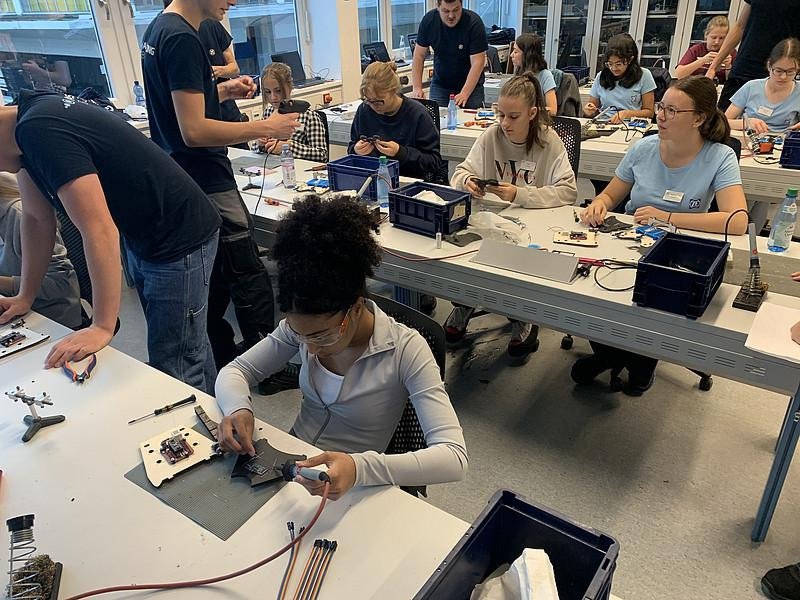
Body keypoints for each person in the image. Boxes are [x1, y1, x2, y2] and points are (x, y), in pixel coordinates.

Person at [215, 195, 468, 501]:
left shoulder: (405, 349)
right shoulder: (303, 328)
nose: (309, 347)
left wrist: (359, 467)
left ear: (357, 307)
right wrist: (238, 408)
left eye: (321, 335)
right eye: (300, 333)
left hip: (352, 484)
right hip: (294, 461)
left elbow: (454, 457)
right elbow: (237, 370)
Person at [0, 90, 221, 392]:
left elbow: (99, 229)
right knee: (186, 342)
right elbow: (37, 218)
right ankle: (216, 420)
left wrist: (102, 326)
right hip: (147, 230)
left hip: (177, 235)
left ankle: (197, 434)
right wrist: (26, 295)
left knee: (175, 362)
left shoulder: (38, 129)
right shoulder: (24, 135)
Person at [142, 0, 300, 370]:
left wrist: (224, 92)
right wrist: (267, 127)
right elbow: (193, 131)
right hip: (206, 176)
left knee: (213, 279)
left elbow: (182, 108)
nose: (233, 1)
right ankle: (267, 367)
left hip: (184, 174)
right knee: (246, 272)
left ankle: (227, 357)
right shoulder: (182, 38)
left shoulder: (159, 29)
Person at [577, 76, 748, 395]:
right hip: (629, 238)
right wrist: (598, 204)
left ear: (698, 118)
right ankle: (614, 353)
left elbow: (736, 220)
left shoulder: (718, 156)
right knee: (593, 289)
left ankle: (638, 357)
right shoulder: (643, 147)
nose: (661, 115)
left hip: (679, 249)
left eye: (672, 110)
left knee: (656, 299)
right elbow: (611, 196)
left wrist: (667, 216)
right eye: (661, 107)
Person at [446, 74, 577, 362]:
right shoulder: (491, 136)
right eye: (500, 114)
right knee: (463, 253)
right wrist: (466, 179)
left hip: (534, 223)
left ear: (532, 114)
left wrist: (519, 193)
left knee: (521, 263)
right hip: (492, 220)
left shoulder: (548, 141)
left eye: (513, 116)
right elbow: (459, 172)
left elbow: (568, 192)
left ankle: (523, 315)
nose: (504, 123)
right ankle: (465, 302)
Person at [0, 172, 82, 329]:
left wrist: (4, 283)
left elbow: (61, 285)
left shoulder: (19, 215)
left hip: (52, 322)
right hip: (14, 315)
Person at [349, 61, 443, 181]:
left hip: (407, 182)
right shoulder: (364, 110)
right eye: (368, 100)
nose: (373, 106)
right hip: (370, 180)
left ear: (394, 91)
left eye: (379, 101)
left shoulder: (417, 114)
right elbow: (352, 146)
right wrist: (355, 150)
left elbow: (433, 162)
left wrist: (401, 153)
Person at [705, 0, 800, 110]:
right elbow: (740, 26)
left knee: (768, 124)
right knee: (722, 118)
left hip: (779, 71)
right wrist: (714, 66)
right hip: (744, 68)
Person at [411, 0, 488, 109]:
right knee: (437, 122)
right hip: (440, 85)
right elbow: (419, 55)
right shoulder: (429, 21)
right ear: (438, 7)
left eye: (456, 10)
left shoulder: (473, 23)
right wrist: (417, 87)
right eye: (446, 11)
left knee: (470, 122)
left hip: (471, 87)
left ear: (461, 6)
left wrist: (464, 93)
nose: (451, 16)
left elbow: (478, 62)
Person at [724, 38, 800, 135]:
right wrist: (747, 123)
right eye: (778, 71)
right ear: (769, 66)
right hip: (749, 142)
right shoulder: (751, 87)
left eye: (790, 72)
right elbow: (724, 121)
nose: (783, 77)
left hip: (785, 146)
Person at [259, 62, 328, 162]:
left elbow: (322, 155)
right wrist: (260, 144)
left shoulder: (308, 117)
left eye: (278, 91)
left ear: (290, 87)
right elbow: (256, 152)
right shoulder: (268, 113)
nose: (273, 97)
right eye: (268, 92)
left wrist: (289, 147)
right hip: (273, 168)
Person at [584, 34, 656, 124]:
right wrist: (589, 110)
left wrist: (627, 114)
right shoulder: (601, 76)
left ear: (630, 60)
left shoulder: (644, 75)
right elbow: (592, 107)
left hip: (631, 125)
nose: (614, 68)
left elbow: (649, 112)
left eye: (618, 64)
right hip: (604, 123)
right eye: (610, 64)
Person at [674, 15, 736, 83]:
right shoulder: (696, 50)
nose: (717, 42)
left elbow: (734, 83)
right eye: (713, 37)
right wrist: (702, 61)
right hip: (696, 87)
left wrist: (728, 67)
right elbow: (678, 74)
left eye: (721, 38)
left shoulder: (731, 52)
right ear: (706, 35)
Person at [510, 33, 557, 115]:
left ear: (527, 55)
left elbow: (553, 110)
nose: (511, 55)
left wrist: (527, 111)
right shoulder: (518, 73)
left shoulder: (545, 75)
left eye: (516, 52)